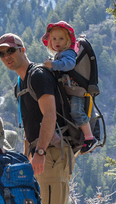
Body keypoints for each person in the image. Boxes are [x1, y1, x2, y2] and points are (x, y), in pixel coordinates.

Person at [0, 33, 79, 204]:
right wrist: (27, 157)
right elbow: (28, 125)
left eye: (11, 50)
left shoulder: (38, 75)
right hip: (41, 153)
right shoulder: (22, 82)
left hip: (51, 153)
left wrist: (40, 152)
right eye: (2, 54)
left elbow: (49, 115)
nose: (7, 56)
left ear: (22, 49)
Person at [42, 21, 98, 154]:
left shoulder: (68, 53)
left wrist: (53, 65)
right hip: (72, 91)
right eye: (54, 38)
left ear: (68, 41)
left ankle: (90, 138)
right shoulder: (60, 54)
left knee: (76, 112)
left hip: (77, 92)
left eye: (61, 39)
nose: (57, 42)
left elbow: (69, 65)